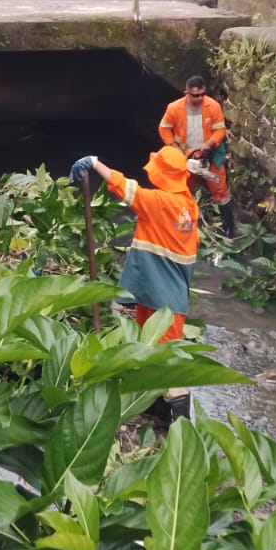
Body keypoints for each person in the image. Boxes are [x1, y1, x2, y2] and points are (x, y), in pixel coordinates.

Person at [70, 147, 197, 421]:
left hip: (165, 302)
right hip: (157, 293)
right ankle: (154, 404)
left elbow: (124, 187)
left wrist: (94, 162)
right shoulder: (187, 204)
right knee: (146, 347)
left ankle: (181, 425)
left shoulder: (159, 203)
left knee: (167, 358)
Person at [159, 76, 235, 235]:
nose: (199, 98)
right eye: (195, 95)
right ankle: (182, 225)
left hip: (210, 156)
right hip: (186, 157)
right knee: (183, 190)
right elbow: (164, 128)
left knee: (220, 189)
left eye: (202, 94)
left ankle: (229, 228)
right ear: (187, 92)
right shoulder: (174, 108)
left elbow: (220, 130)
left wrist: (208, 145)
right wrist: (174, 148)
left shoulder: (212, 106)